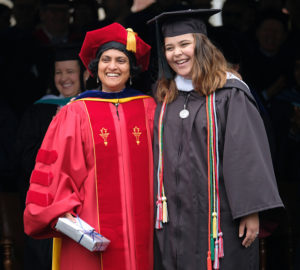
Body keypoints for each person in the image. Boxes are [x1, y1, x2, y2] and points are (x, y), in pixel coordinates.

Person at [148, 9, 284, 270]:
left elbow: (246, 154)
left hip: (220, 217)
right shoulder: (165, 97)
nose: (177, 53)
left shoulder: (228, 93)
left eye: (185, 44)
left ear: (201, 45)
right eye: (169, 47)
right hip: (174, 218)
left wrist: (251, 210)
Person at [23, 23, 156, 270]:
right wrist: (61, 210)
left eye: (121, 60)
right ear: (95, 68)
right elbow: (56, 168)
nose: (113, 67)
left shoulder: (148, 108)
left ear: (131, 69)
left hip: (144, 228)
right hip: (90, 227)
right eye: (106, 59)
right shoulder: (76, 112)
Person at [16, 44, 85, 270]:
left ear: (84, 74)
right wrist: (54, 130)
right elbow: (27, 160)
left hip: (85, 207)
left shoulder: (92, 107)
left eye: (70, 72)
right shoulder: (39, 111)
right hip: (49, 207)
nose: (64, 78)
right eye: (58, 72)